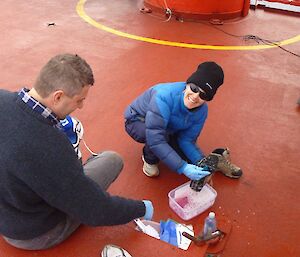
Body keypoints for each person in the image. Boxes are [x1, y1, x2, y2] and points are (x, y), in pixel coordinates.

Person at [0, 53, 154, 250]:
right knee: (111, 160)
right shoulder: (52, 146)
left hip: (8, 209)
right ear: (58, 96)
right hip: (32, 234)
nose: (80, 106)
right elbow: (94, 210)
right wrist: (140, 208)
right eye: (79, 100)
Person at [124, 61, 242, 179]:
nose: (195, 96)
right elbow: (156, 139)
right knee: (162, 139)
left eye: (204, 95)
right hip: (138, 120)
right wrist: (183, 168)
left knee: (186, 158)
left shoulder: (202, 111)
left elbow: (187, 140)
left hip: (168, 126)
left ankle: (214, 160)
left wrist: (201, 164)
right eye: (194, 88)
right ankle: (149, 160)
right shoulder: (163, 96)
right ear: (187, 84)